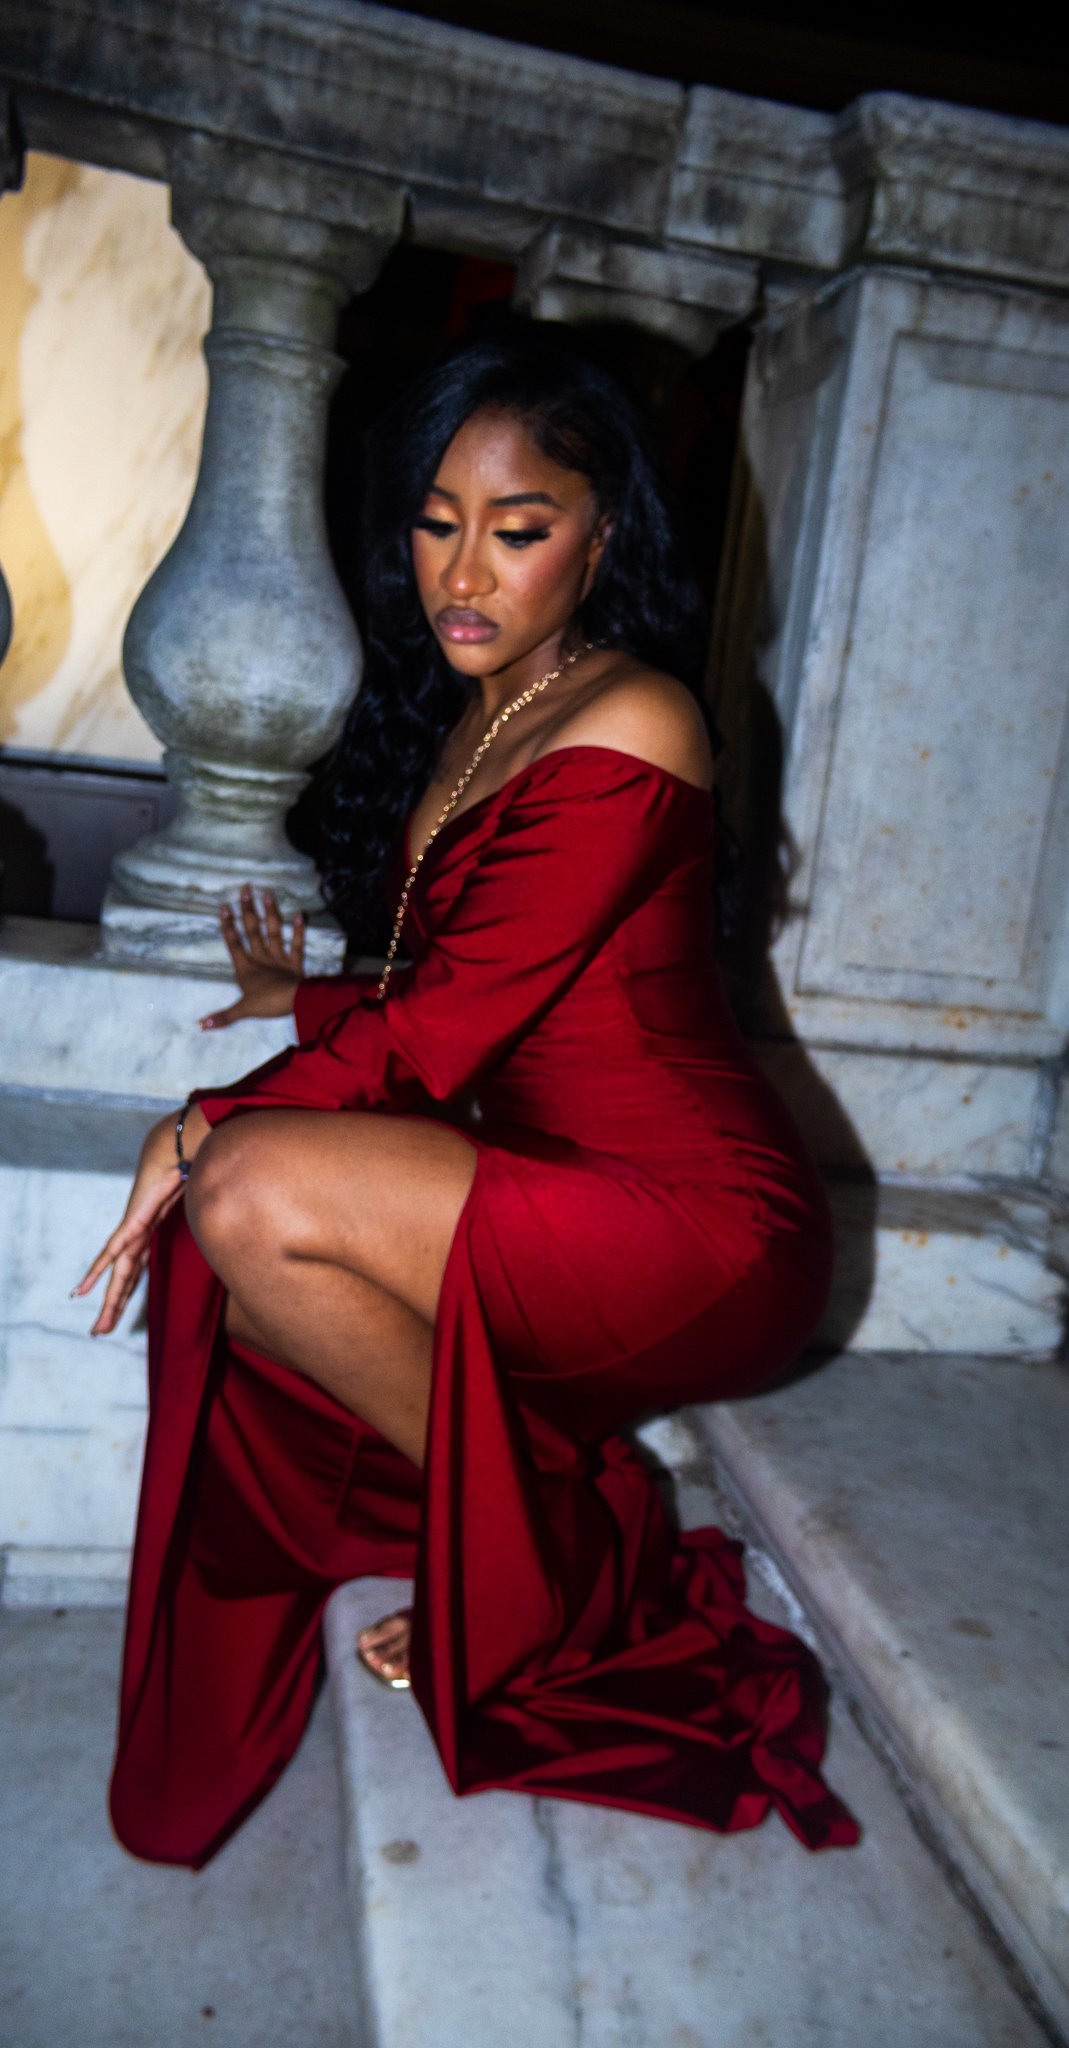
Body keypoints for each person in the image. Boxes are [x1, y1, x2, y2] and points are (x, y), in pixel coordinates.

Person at [76, 327, 859, 1868]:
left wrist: (201, 1117)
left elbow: (441, 1035)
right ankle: (531, 1531)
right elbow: (484, 990)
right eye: (438, 522)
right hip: (563, 1179)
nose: (467, 573)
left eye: (519, 528)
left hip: (703, 1227)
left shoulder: (633, 716)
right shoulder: (487, 709)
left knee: (245, 1196)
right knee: (246, 1278)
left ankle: (551, 1552)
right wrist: (293, 1007)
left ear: (602, 532)